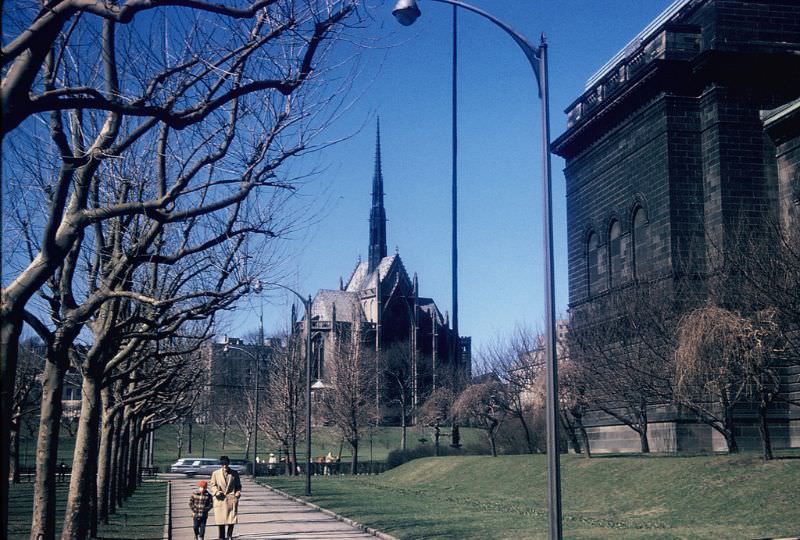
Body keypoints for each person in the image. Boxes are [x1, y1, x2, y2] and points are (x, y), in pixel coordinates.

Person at [209, 456, 241, 540]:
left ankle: (229, 535)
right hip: (220, 499)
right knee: (221, 519)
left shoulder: (235, 473)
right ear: (221, 465)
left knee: (232, 519)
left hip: (231, 499)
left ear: (228, 464)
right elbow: (212, 485)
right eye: (223, 464)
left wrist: (238, 492)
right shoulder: (215, 473)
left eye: (226, 464)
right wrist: (216, 492)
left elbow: (238, 486)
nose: (225, 466)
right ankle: (221, 536)